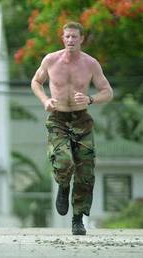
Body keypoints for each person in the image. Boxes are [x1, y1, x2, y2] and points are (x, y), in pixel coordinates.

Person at [30, 22, 113, 235]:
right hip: (57, 118)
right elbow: (36, 82)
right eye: (67, 37)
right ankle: (63, 186)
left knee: (86, 172)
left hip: (81, 119)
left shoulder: (90, 64)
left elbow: (107, 92)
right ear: (62, 38)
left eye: (74, 37)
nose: (70, 40)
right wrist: (45, 100)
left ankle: (77, 219)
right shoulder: (51, 60)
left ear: (81, 39)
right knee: (64, 161)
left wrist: (90, 98)